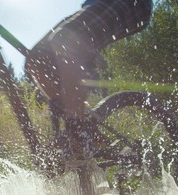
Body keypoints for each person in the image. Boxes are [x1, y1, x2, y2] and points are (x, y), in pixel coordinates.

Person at [25, 0, 153, 120]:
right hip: (94, 4)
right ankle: (79, 123)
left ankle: (77, 128)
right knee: (37, 57)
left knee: (65, 40)